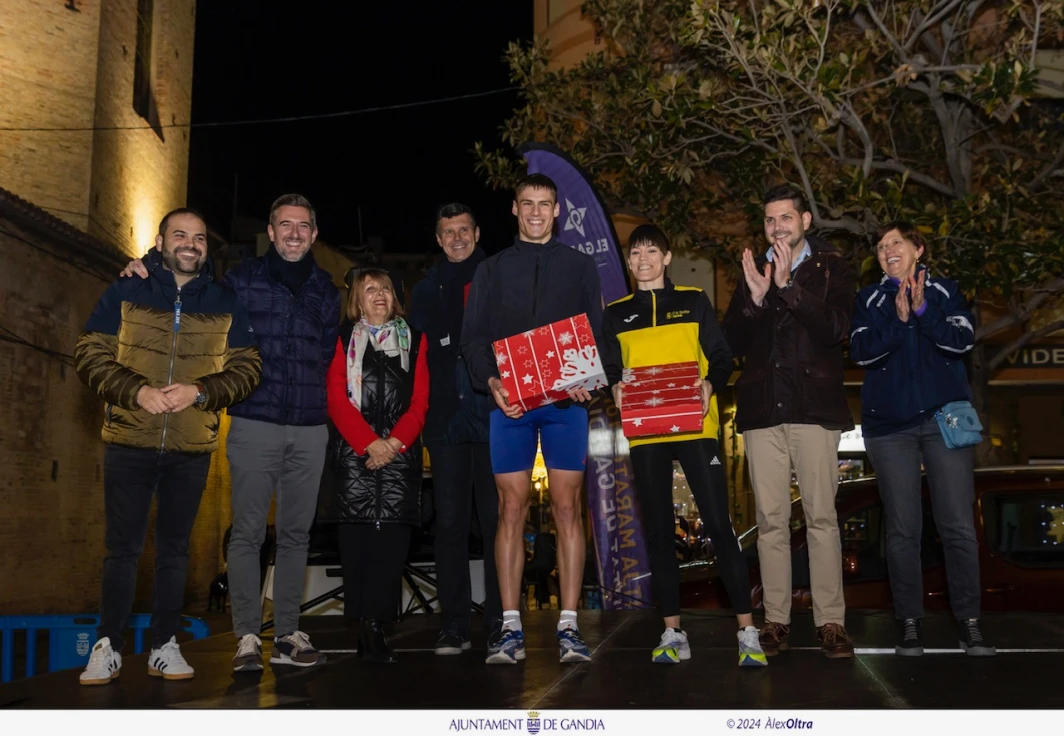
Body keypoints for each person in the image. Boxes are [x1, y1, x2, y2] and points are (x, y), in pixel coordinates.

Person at [122, 194, 341, 671]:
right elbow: (187, 280)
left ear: (315, 233)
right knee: (246, 533)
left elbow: (326, 356)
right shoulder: (239, 281)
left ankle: (287, 634)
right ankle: (246, 635)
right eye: (286, 225)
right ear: (271, 229)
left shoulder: (327, 290)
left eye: (304, 226)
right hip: (253, 421)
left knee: (296, 534)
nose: (295, 233)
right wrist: (143, 263)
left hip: (308, 426)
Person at [74, 209, 262, 685]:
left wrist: (199, 391)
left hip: (191, 445)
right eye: (180, 235)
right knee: (122, 550)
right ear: (160, 241)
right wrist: (136, 391)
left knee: (176, 552)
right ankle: (106, 646)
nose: (190, 244)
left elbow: (248, 369)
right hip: (130, 439)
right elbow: (89, 352)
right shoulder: (126, 290)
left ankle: (164, 645)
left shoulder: (225, 301)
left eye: (199, 238)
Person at [601, 224, 767, 667]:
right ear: (630, 261)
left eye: (651, 251)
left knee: (718, 524)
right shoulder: (615, 313)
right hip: (647, 433)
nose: (643, 259)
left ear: (667, 257)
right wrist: (615, 385)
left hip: (697, 427)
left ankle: (747, 631)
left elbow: (722, 355)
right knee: (658, 532)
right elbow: (609, 368)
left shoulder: (693, 301)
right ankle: (673, 633)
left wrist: (711, 382)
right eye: (635, 253)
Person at [461, 173, 603, 664]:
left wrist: (593, 375)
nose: (537, 212)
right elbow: (473, 339)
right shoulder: (492, 270)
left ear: (557, 210)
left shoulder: (581, 268)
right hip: (511, 406)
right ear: (515, 211)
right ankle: (509, 628)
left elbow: (600, 337)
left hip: (566, 407)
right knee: (510, 510)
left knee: (567, 508)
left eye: (545, 204)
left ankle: (568, 627)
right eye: (528, 204)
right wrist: (492, 383)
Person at [722, 184, 857, 659]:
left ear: (805, 221)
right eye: (769, 220)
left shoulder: (833, 267)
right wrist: (754, 300)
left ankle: (832, 623)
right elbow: (731, 342)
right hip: (762, 410)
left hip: (815, 408)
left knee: (822, 518)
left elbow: (837, 329)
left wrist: (786, 288)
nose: (777, 227)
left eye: (785, 218)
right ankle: (774, 621)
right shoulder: (753, 269)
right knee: (770, 521)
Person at [850, 222, 993, 657]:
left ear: (918, 249)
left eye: (896, 242)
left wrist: (924, 310)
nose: (887, 250)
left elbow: (962, 341)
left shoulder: (946, 291)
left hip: (945, 422)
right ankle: (910, 623)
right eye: (880, 246)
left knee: (958, 526)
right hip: (889, 430)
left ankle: (969, 624)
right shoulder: (869, 299)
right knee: (902, 529)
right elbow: (860, 352)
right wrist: (898, 319)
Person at [408, 203, 502, 655]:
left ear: (477, 231)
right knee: (449, 527)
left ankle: (505, 621)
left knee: (498, 524)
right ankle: (454, 624)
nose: (458, 238)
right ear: (440, 240)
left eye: (465, 229)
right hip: (444, 425)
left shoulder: (499, 276)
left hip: (496, 419)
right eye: (449, 232)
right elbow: (417, 360)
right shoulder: (425, 292)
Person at [326, 268, 429, 663]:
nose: (380, 295)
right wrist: (370, 443)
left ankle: (379, 623)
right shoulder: (341, 339)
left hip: (400, 458)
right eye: (370, 289)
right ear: (358, 299)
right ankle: (365, 626)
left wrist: (394, 444)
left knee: (391, 548)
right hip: (355, 458)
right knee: (358, 547)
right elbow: (336, 398)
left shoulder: (415, 341)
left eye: (386, 287)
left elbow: (420, 401)